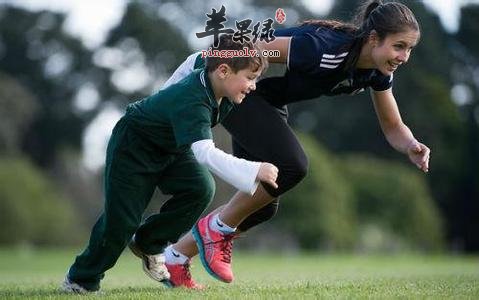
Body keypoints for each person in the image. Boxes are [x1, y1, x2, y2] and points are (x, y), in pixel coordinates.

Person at [139, 0, 431, 288]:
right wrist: (181, 85)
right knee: (292, 166)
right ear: (373, 38)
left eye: (409, 49)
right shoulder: (323, 47)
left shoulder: (378, 72)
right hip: (241, 96)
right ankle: (215, 229)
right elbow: (243, 53)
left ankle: (176, 257)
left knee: (262, 204)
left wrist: (411, 145)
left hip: (268, 103)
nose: (404, 56)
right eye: (399, 46)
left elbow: (393, 126)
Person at [60, 35, 277, 293]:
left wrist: (166, 94)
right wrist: (254, 170)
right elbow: (205, 153)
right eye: (250, 78)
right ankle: (80, 280)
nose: (253, 86)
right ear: (223, 71)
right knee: (121, 222)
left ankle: (149, 243)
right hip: (135, 145)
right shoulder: (193, 99)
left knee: (200, 187)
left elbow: (195, 59)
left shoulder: (216, 73)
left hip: (172, 146)